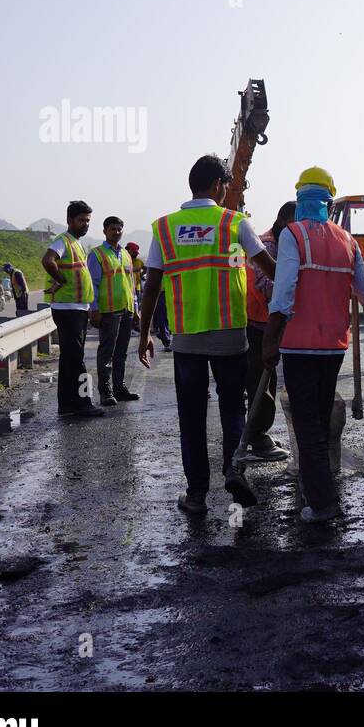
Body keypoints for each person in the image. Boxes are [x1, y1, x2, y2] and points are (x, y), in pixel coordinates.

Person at [137, 154, 277, 515]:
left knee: (192, 416)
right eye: (227, 186)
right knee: (233, 409)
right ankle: (234, 470)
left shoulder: (166, 228)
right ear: (217, 185)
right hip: (230, 335)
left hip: (187, 338)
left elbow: (152, 287)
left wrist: (144, 334)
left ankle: (197, 495)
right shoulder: (235, 223)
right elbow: (269, 269)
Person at [261, 167, 364, 524]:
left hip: (298, 346)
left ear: (300, 199)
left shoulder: (294, 235)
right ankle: (324, 493)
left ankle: (323, 503)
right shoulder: (348, 240)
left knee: (307, 425)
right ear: (329, 200)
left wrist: (270, 338)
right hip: (333, 347)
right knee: (319, 419)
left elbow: (282, 293)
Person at [41, 200, 105, 417]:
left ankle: (67, 404)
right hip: (68, 308)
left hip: (76, 308)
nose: (85, 225)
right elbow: (48, 260)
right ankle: (83, 402)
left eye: (87, 221)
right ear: (69, 220)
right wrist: (60, 279)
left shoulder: (77, 243)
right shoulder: (63, 241)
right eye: (81, 221)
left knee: (69, 357)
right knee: (76, 358)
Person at [243, 201, 296, 462]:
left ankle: (258, 432)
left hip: (271, 320)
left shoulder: (286, 242)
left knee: (268, 379)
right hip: (258, 321)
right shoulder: (267, 246)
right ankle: (256, 438)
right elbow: (266, 286)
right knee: (260, 380)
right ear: (283, 221)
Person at [88, 216, 140, 406]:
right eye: (112, 229)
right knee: (107, 352)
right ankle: (106, 391)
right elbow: (92, 284)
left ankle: (120, 387)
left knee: (121, 352)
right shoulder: (97, 254)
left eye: (119, 229)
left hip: (126, 309)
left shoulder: (126, 255)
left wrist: (135, 309)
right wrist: (94, 310)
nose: (116, 232)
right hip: (108, 311)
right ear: (105, 231)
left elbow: (131, 284)